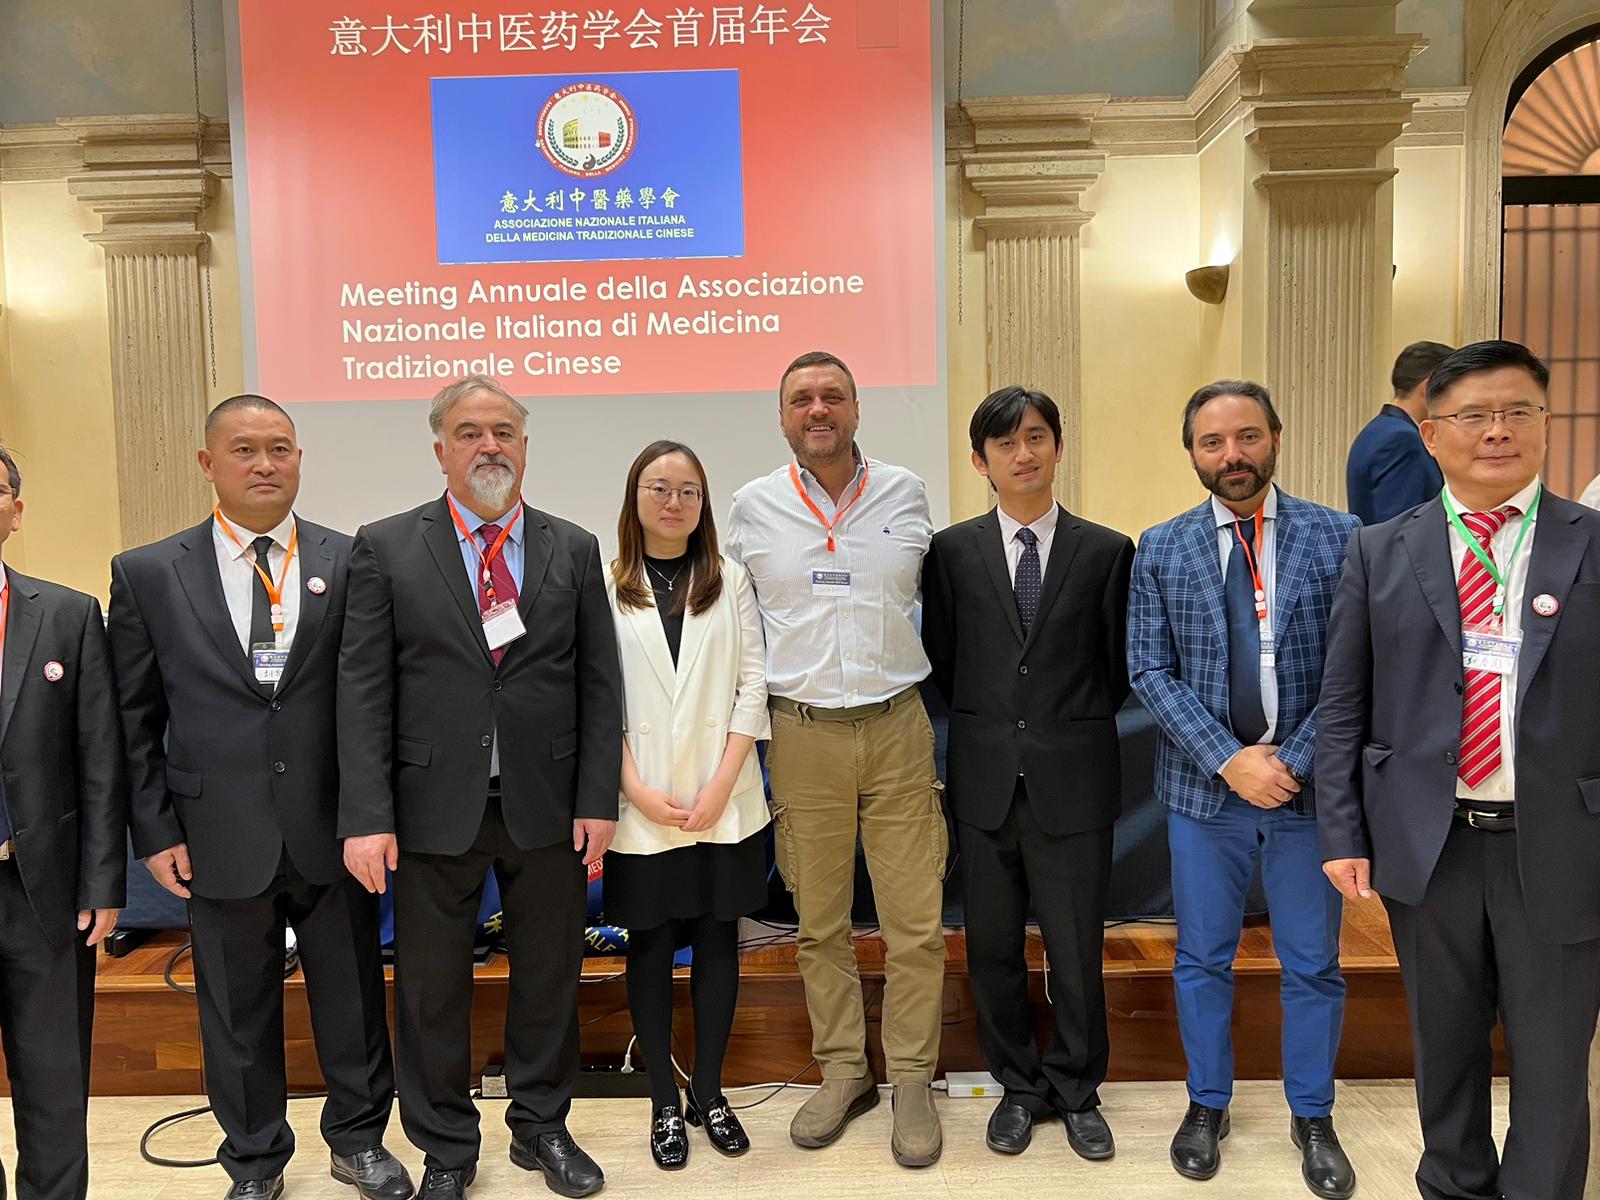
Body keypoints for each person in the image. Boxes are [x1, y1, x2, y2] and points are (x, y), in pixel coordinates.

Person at [1319, 340, 1600, 1200]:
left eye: (1518, 410)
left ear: (1547, 424)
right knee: (1444, 1049)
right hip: (1428, 845)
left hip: (1560, 840)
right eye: (1473, 415)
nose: (1497, 431)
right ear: (1431, 433)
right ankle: (1454, 1186)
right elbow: (1343, 704)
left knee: (1553, 1066)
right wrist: (1342, 830)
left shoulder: (1591, 541)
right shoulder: (1379, 550)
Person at [110, 396, 408, 1200]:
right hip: (215, 831)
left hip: (333, 830)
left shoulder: (351, 561)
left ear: (300, 459)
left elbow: (372, 703)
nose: (266, 464)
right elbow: (133, 720)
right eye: (245, 450)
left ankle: (358, 1143)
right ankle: (254, 1159)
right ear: (209, 464)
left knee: (350, 1002)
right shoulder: (147, 573)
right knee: (235, 1015)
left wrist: (370, 817)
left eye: (281, 449)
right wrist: (153, 830)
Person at [338, 376, 623, 1200]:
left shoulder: (571, 546)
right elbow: (363, 692)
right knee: (431, 992)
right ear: (441, 450)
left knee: (548, 977)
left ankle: (541, 1127)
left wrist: (597, 798)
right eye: (469, 432)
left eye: (504, 431)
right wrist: (366, 815)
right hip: (429, 810)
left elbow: (598, 685)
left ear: (525, 447)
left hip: (548, 803)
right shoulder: (386, 545)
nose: (488, 445)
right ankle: (447, 1148)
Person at [1127, 380, 1359, 1198]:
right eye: (1213, 443)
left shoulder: (1340, 536)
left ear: (1276, 439)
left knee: (1313, 964)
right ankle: (1207, 1102)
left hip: (1305, 787)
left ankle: (1314, 1112)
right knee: (1201, 959)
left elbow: (1352, 667)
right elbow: (1149, 670)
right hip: (1203, 791)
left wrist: (1288, 759)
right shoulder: (1160, 546)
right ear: (1191, 451)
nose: (1233, 456)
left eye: (1247, 438)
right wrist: (1229, 758)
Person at [725, 350, 946, 1168]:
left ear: (856, 409)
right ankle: (846, 1071)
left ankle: (914, 1079)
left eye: (833, 396)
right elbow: (741, 634)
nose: (818, 410)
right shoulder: (750, 508)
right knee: (819, 924)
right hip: (803, 732)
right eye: (801, 399)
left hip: (897, 726)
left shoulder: (905, 494)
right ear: (783, 417)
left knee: (914, 924)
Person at [921, 387, 1133, 1162]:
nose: (1023, 454)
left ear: (1058, 447)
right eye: (1005, 444)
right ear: (980, 462)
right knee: (993, 948)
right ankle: (1017, 1086)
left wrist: (1056, 728)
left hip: (1072, 779)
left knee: (1076, 949)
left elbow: (1116, 670)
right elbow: (945, 662)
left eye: (1037, 437)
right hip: (983, 781)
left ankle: (1078, 1088)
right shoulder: (949, 552)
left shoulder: (1109, 551)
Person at [604, 440, 770, 1170]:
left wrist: (722, 783)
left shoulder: (730, 579)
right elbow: (594, 695)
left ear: (704, 505)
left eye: (689, 491)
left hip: (723, 798)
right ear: (634, 499)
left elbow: (754, 685)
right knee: (648, 946)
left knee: (715, 942)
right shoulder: (604, 582)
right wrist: (633, 786)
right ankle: (662, 1104)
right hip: (641, 798)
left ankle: (708, 1090)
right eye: (659, 488)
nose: (674, 502)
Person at [0, 445, 125, 1200]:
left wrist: (103, 880)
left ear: (16, 510)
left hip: (39, 890)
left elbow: (100, 758)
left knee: (53, 1080)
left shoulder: (69, 615)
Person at [1346, 341, 1452, 525]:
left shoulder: (1378, 429)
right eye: (1451, 390)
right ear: (1428, 388)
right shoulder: (1402, 440)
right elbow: (1403, 527)